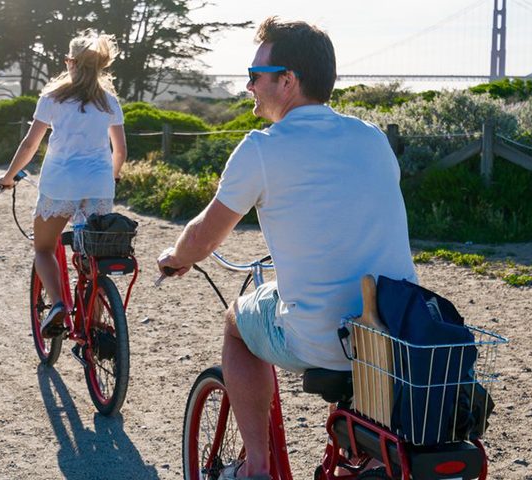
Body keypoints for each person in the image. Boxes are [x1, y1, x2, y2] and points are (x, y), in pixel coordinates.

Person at [157, 17, 417, 480]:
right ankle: (368, 456)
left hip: (319, 340)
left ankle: (256, 467)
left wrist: (177, 258)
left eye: (255, 75)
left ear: (288, 80)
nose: (249, 85)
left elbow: (204, 237)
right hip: (392, 332)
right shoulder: (372, 138)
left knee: (236, 323)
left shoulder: (262, 148)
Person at [0, 32, 127, 339]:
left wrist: (8, 176)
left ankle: (57, 306)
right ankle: (94, 326)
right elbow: (119, 151)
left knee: (43, 247)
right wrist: (113, 175)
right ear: (99, 67)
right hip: (98, 186)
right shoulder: (109, 101)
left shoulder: (52, 98)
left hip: (60, 184)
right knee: (91, 257)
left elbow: (30, 145)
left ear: (70, 63)